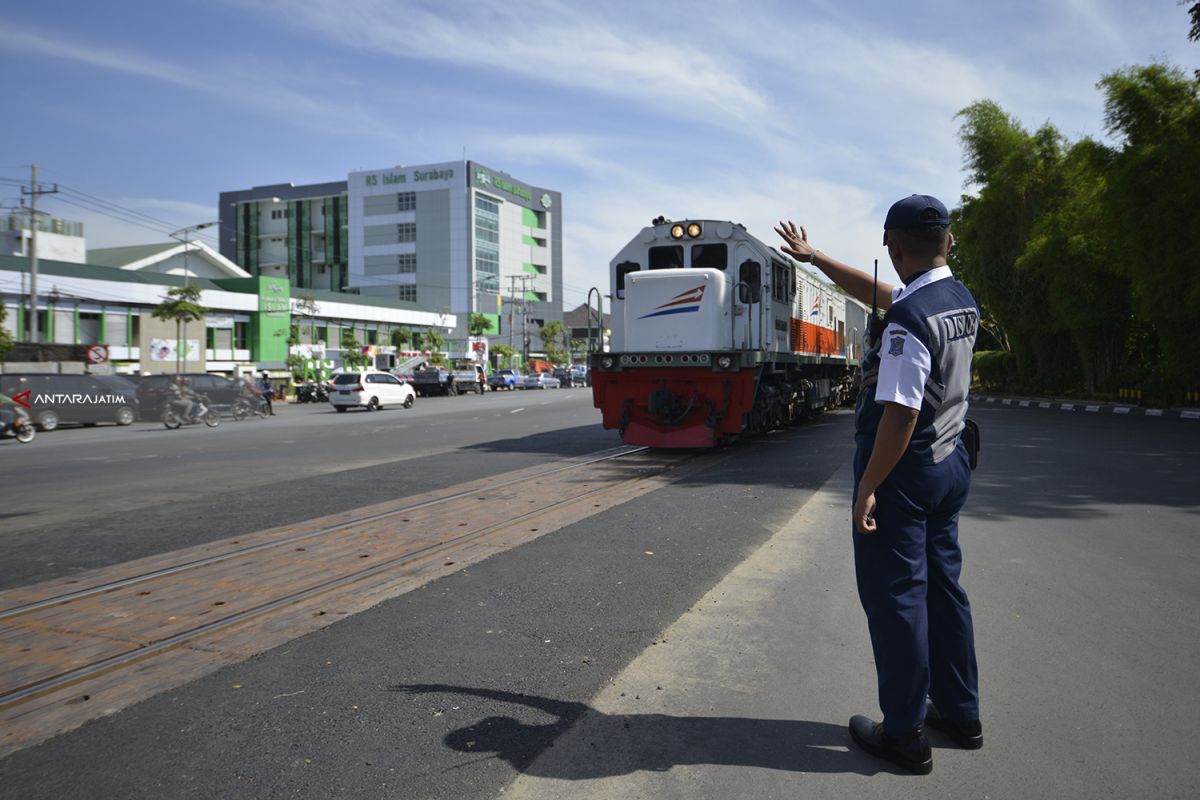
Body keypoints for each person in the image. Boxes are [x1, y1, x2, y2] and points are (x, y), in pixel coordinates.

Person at [776, 195, 982, 775]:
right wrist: (815, 258)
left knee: (897, 601)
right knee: (945, 591)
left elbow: (899, 414)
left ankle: (903, 732)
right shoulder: (956, 299)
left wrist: (868, 486)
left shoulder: (907, 325)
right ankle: (962, 713)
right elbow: (889, 296)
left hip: (905, 474)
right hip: (951, 464)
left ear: (892, 247)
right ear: (946, 242)